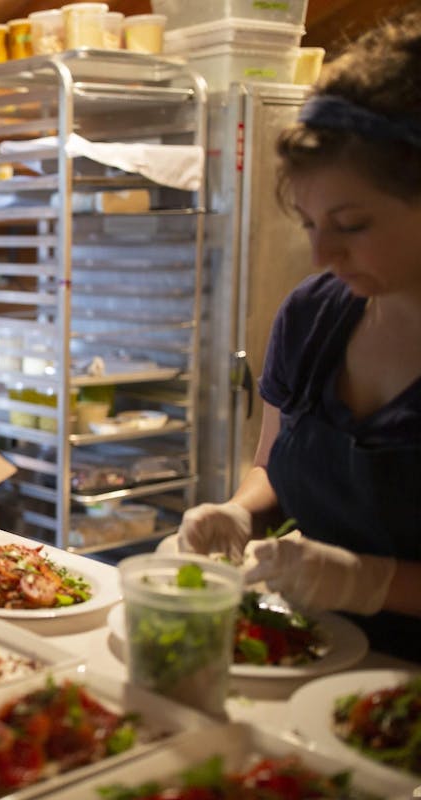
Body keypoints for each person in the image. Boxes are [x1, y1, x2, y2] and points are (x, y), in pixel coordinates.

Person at [178, 10, 421, 661]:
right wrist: (240, 509)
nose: (322, 256)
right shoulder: (315, 315)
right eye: (311, 222)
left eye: (352, 222)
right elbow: (275, 465)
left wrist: (374, 581)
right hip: (317, 655)